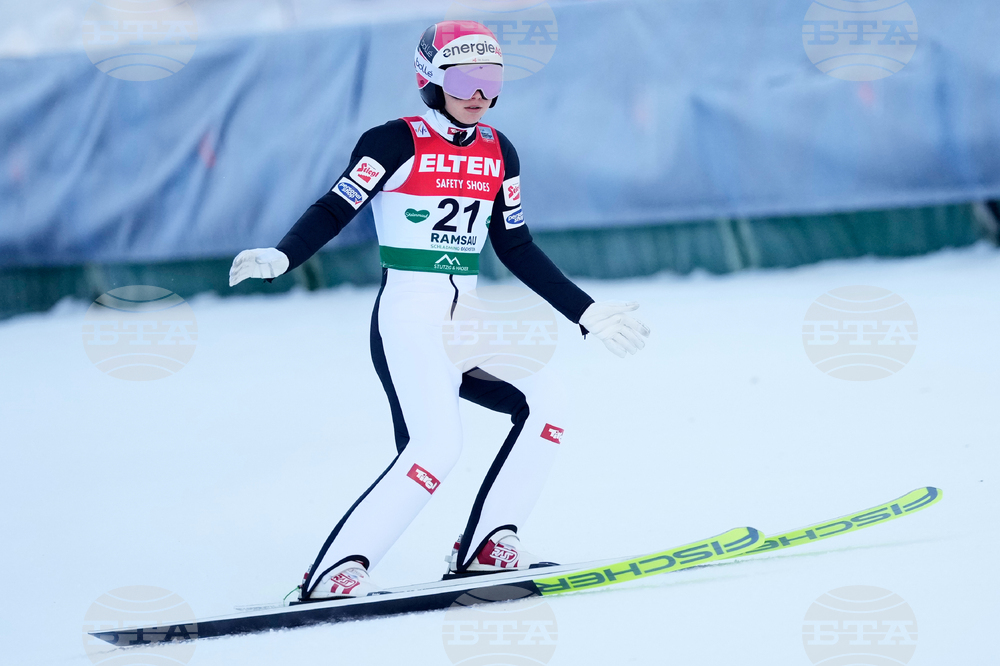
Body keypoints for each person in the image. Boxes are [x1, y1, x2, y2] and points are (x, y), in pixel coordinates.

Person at [229, 20, 650, 602]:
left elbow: (516, 244)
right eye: (465, 77)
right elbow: (335, 207)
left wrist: (586, 310)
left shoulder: (500, 150)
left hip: (466, 319)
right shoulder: (393, 140)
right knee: (435, 447)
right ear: (430, 77)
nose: (480, 92)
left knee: (548, 396)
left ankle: (487, 545)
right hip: (409, 314)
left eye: (492, 77)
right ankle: (337, 572)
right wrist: (283, 255)